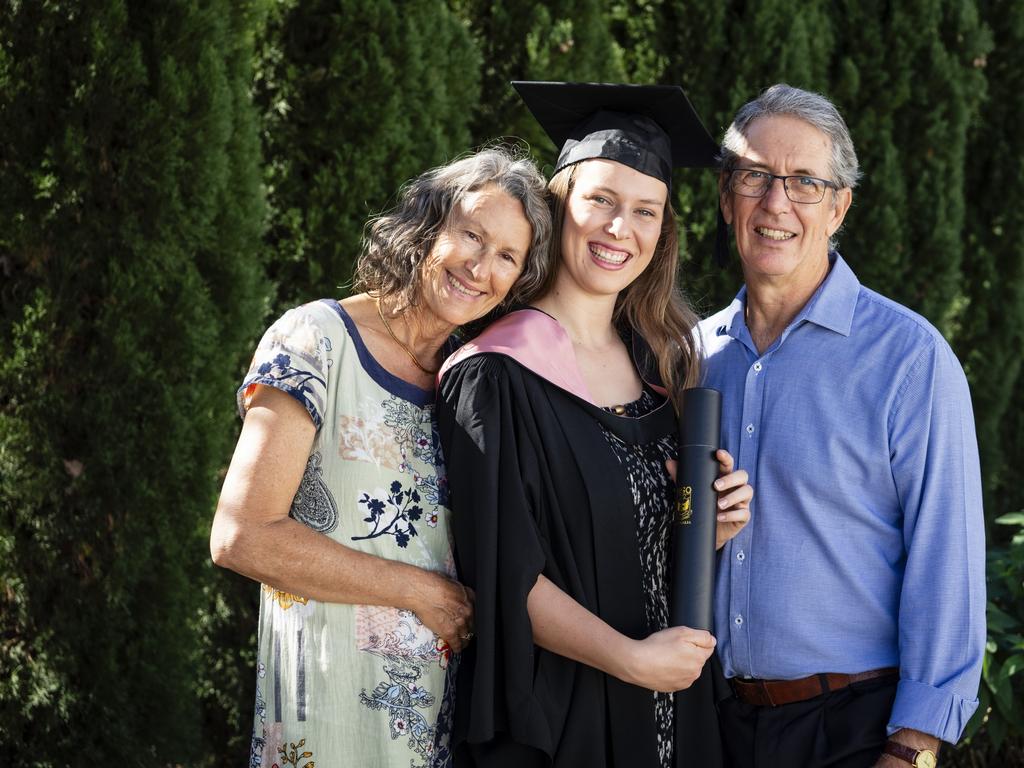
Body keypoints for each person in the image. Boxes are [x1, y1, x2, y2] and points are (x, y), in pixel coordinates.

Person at [436, 82, 753, 768]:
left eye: (646, 211)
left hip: (676, 711)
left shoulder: (659, 375)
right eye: (602, 201)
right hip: (569, 720)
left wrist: (709, 532)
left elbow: (627, 555)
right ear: (560, 206)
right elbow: (503, 575)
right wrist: (631, 660)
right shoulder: (495, 375)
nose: (621, 229)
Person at [209, 147, 552, 768]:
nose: (481, 267)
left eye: (508, 256)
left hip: (436, 733)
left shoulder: (472, 384)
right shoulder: (317, 341)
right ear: (429, 227)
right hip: (326, 726)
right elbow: (241, 535)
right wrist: (421, 592)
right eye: (471, 234)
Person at [701, 84, 985, 768]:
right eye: (755, 176)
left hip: (855, 733)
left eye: (805, 182)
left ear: (839, 207)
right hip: (713, 727)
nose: (777, 203)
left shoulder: (908, 360)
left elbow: (949, 564)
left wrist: (912, 748)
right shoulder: (692, 356)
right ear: (725, 195)